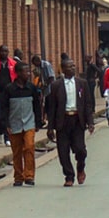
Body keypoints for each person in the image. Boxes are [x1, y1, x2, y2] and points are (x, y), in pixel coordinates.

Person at [45, 55, 94, 187]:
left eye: (73, 66)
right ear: (63, 69)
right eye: (69, 66)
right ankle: (69, 176)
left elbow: (87, 104)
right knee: (63, 151)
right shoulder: (56, 85)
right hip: (63, 121)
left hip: (77, 120)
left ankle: (80, 167)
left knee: (81, 150)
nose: (73, 68)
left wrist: (90, 122)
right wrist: (50, 127)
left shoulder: (82, 83)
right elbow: (52, 108)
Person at [2, 58, 45, 187]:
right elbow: (4, 108)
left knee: (29, 147)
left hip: (29, 123)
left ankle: (29, 175)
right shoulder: (9, 89)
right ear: (18, 73)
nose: (28, 74)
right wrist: (6, 125)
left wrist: (38, 122)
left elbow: (37, 106)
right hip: (14, 124)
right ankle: (18, 177)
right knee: (17, 151)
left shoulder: (31, 88)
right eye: (25, 72)